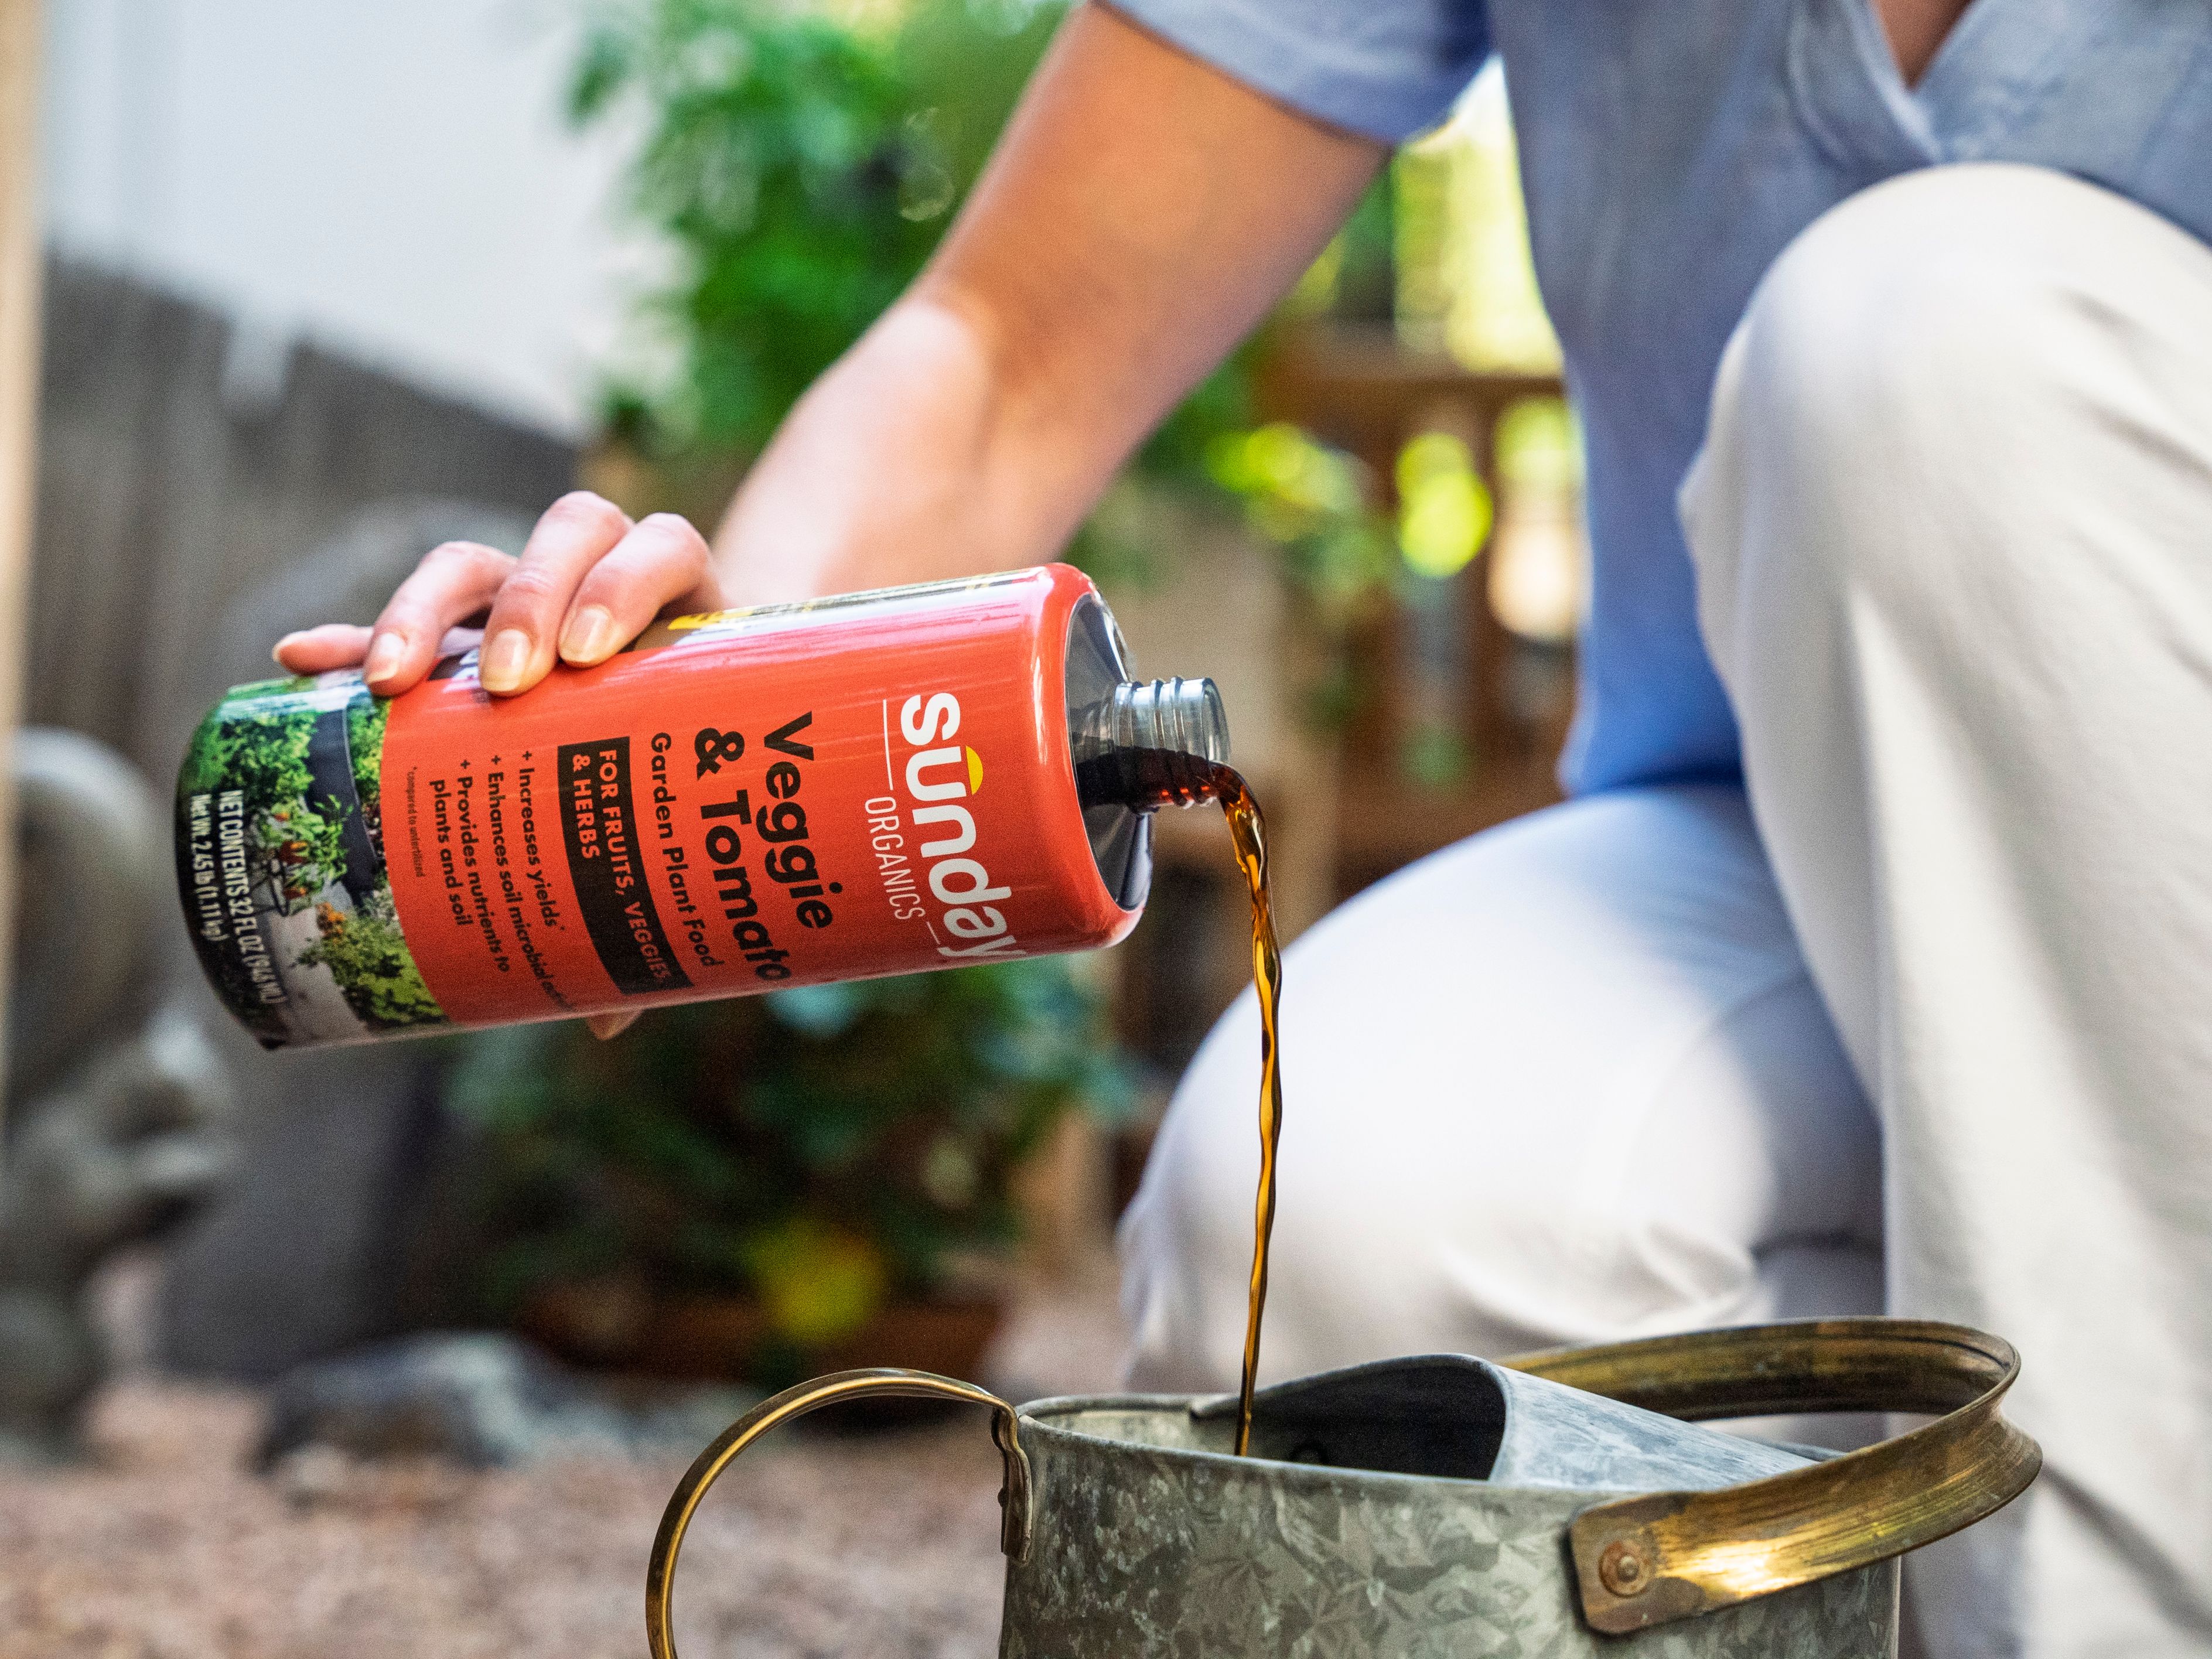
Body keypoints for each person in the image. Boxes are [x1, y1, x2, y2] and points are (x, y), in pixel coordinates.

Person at [275, 4, 2212, 1651]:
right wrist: (688, 712)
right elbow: (1014, 350)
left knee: (1927, 342)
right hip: (1758, 816)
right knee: (1360, 1243)